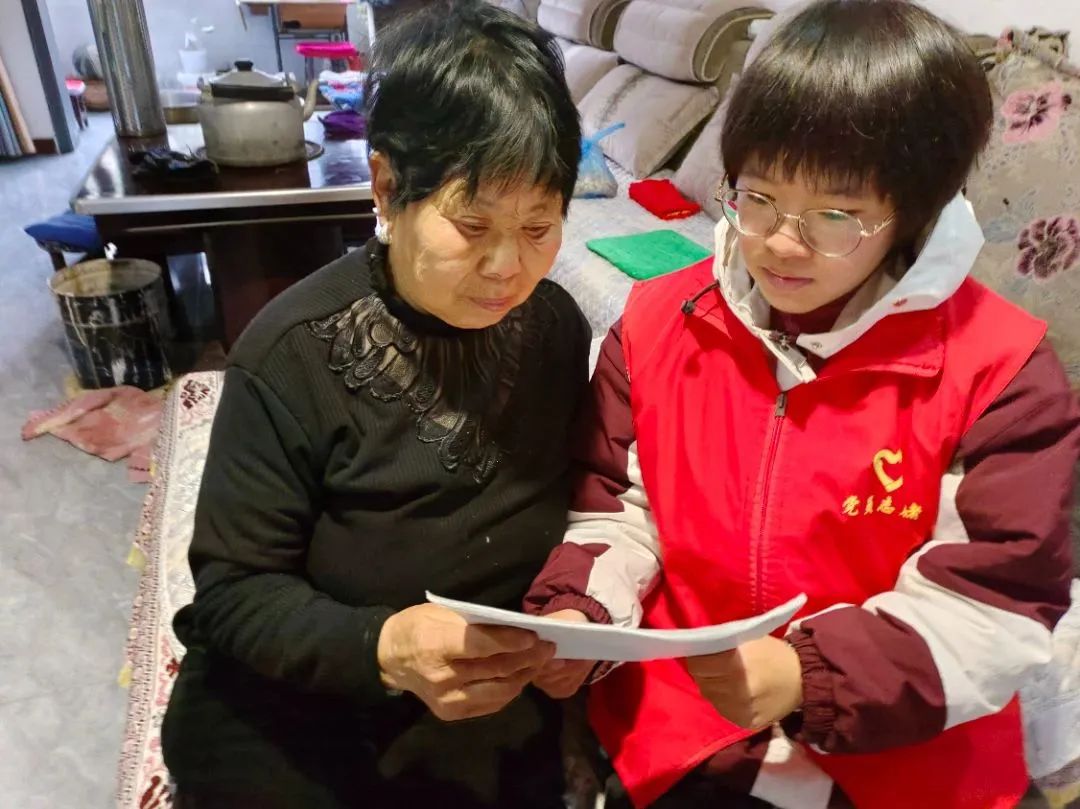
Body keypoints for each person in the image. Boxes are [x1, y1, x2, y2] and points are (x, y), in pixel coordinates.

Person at [523, 2, 1080, 808]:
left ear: (914, 211)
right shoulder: (655, 325)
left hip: (902, 742)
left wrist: (805, 673)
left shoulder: (1001, 372)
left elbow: (994, 598)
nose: (782, 243)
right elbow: (616, 505)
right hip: (689, 721)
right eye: (758, 198)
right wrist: (582, 612)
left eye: (835, 216)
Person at [161, 2, 588, 807]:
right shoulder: (291, 352)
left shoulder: (557, 329)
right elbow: (233, 594)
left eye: (539, 226)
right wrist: (384, 647)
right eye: (472, 224)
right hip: (304, 689)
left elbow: (581, 501)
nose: (508, 266)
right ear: (388, 187)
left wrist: (576, 612)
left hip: (472, 688)